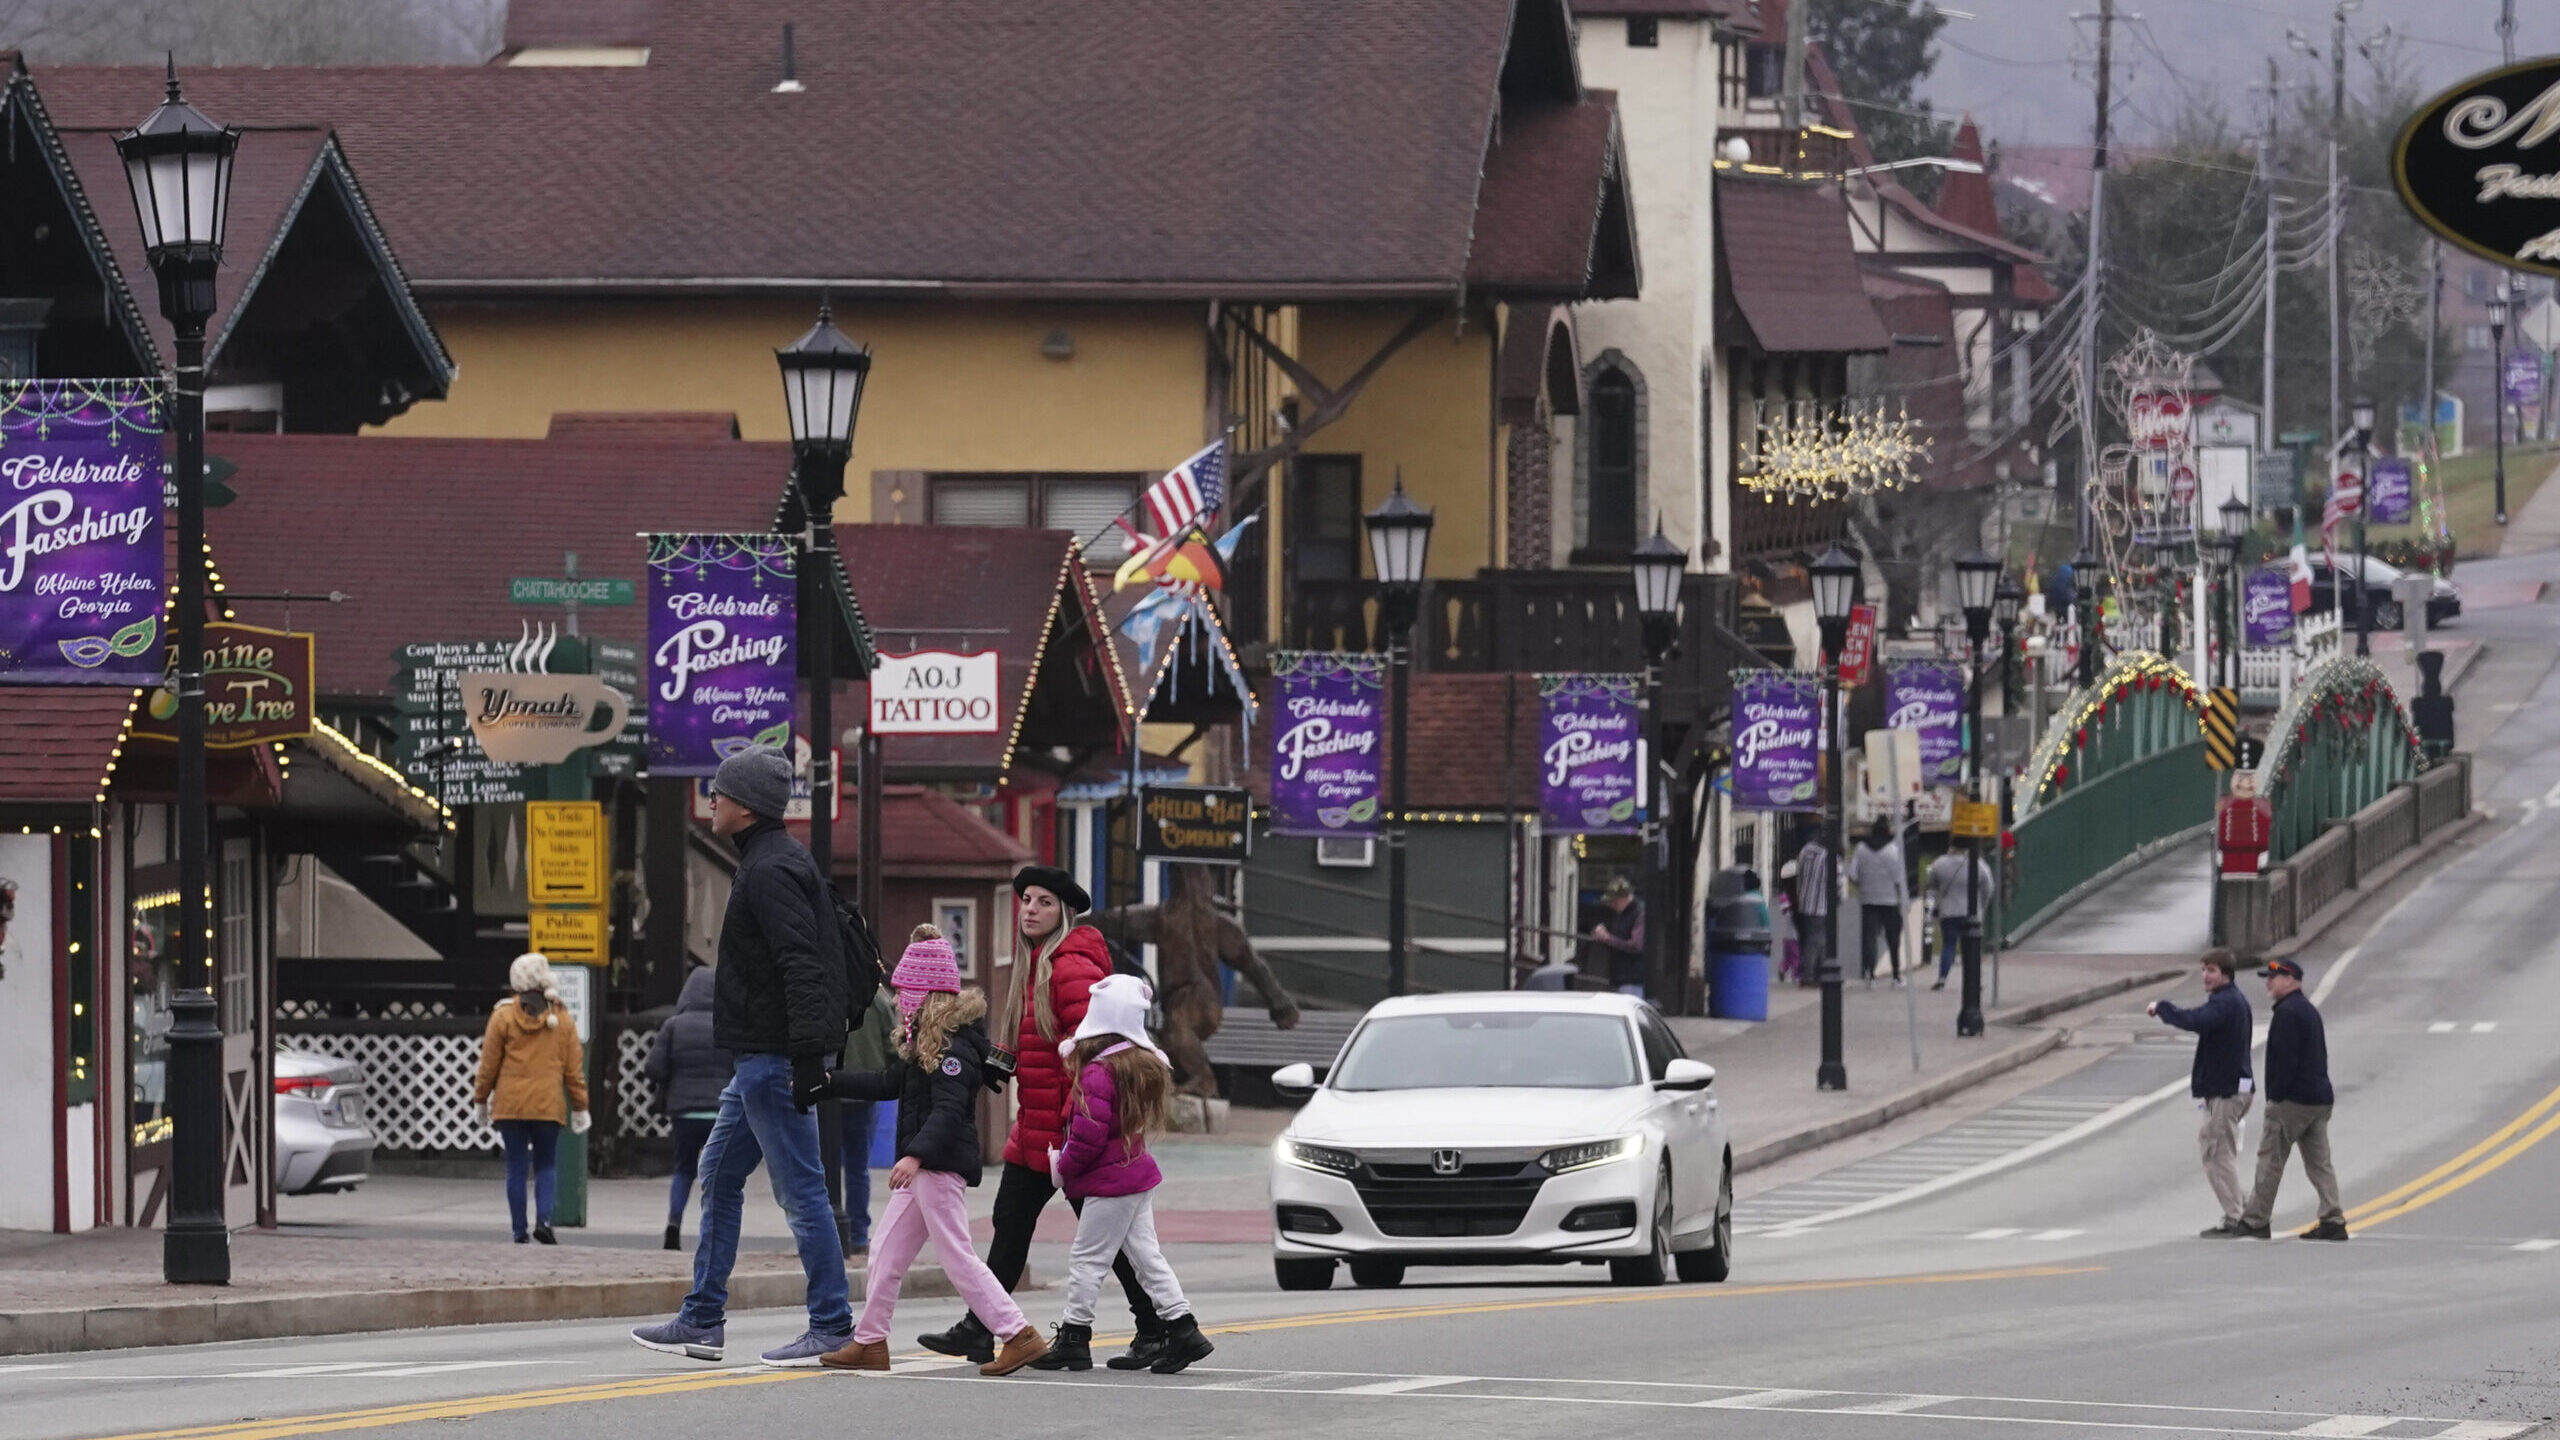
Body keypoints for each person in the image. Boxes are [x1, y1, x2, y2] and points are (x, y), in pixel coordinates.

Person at [632, 745, 856, 1367]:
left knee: (802, 1192)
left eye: (720, 793)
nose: (711, 800)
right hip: (756, 1061)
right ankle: (702, 1318)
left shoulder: (772, 869)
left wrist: (809, 1056)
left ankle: (833, 1325)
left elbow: (801, 964)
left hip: (775, 1059)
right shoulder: (769, 861)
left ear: (748, 806)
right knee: (719, 1175)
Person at [920, 865, 1164, 1369]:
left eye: (1044, 902)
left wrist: (1078, 1127)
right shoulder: (1037, 964)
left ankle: (1155, 1329)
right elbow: (1042, 1043)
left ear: (1064, 913)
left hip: (1068, 1130)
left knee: (1106, 1240)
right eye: (1026, 900)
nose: (1030, 909)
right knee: (1014, 1223)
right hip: (1039, 1125)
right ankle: (982, 1327)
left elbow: (1093, 1052)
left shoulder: (1070, 966)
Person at [819, 926, 1048, 1376]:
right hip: (924, 1170)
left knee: (957, 1257)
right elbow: (888, 1083)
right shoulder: (926, 1041)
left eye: (906, 990)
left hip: (937, 1168)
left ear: (926, 994)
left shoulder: (950, 1048)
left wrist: (914, 1156)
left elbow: (946, 1112)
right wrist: (830, 1082)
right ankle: (870, 1341)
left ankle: (1019, 1335)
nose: (900, 998)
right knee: (884, 1252)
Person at [1030, 974, 1213, 1374]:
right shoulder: (1134, 1066)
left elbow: (1088, 1136)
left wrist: (1061, 1167)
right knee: (1147, 1257)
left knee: (1087, 1260)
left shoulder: (1097, 1072)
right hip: (1134, 1176)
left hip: (1109, 1183)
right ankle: (1183, 1330)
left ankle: (1075, 1338)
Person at [472, 952, 589, 1245]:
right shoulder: (561, 1019)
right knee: (546, 1164)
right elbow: (573, 1070)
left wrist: (481, 1099)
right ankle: (545, 1220)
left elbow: (488, 1065)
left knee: (516, 1166)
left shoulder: (502, 1017)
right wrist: (580, 1106)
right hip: (547, 1105)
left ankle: (518, 1230)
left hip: (509, 1106)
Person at [2146, 949, 2256, 1236]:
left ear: (2226, 975)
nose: (2205, 976)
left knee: (2216, 1153)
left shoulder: (2225, 1004)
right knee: (2222, 1152)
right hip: (2234, 1089)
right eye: (2204, 970)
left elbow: (2195, 1020)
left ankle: (2237, 1216)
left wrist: (2163, 1009)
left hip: (2227, 1090)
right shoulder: (2232, 1001)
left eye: (2212, 971)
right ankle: (2245, 1209)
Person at [2235, 957, 2346, 1240]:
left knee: (2270, 1159)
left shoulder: (2287, 1013)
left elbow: (2285, 1061)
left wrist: (2276, 1097)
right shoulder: (2308, 1010)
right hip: (2318, 1099)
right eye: (2268, 978)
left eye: (2275, 977)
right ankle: (2333, 1218)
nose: (2269, 983)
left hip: (2292, 1101)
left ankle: (2256, 1219)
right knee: (2320, 1163)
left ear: (2291, 980)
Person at [644, 964, 731, 1251]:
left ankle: (674, 1222)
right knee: (718, 1172)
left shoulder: (673, 1025)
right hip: (721, 1111)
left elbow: (653, 1067)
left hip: (683, 1111)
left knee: (683, 1168)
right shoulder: (726, 1024)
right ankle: (712, 1232)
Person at [829, 977, 899, 1259]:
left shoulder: (828, 988)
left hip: (829, 1089)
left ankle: (827, 1235)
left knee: (822, 1169)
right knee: (858, 1169)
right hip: (866, 1090)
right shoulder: (878, 998)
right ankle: (858, 1235)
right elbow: (891, 1045)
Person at [1923, 846, 1996, 991]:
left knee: (1948, 945)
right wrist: (1982, 904)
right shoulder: (1978, 864)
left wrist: (1939, 898)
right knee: (1971, 949)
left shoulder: (1940, 863)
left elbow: (1930, 883)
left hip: (1948, 911)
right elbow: (1988, 886)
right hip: (1971, 912)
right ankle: (1974, 980)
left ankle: (1942, 978)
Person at [1848, 818, 1907, 987]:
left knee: (1869, 938)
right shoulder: (1893, 851)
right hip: (1889, 901)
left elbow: (1853, 875)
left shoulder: (1861, 849)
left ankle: (1870, 975)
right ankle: (1896, 976)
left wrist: (1863, 886)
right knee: (1893, 939)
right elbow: (1898, 879)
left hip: (1868, 899)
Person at [1586, 875, 1647, 997]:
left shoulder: (1639, 914)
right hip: (1621, 977)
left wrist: (1607, 938)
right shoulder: (1623, 915)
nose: (1612, 905)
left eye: (1614, 901)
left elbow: (1636, 945)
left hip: (1632, 978)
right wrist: (1603, 937)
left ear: (1623, 898)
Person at [1792, 830, 1832, 989]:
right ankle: (1810, 976)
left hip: (1804, 902)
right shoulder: (1828, 856)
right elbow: (1838, 881)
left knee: (1809, 939)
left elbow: (1798, 872)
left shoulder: (1806, 851)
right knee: (1816, 941)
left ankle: (1815, 974)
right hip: (1820, 905)